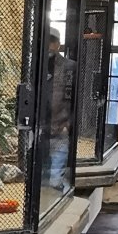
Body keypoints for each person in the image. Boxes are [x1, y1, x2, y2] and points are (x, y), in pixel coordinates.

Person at [43, 26, 76, 193]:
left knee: (55, 181)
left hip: (60, 126)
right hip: (39, 129)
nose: (49, 45)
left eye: (52, 41)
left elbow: (76, 98)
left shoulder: (70, 67)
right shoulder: (34, 65)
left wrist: (68, 123)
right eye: (46, 41)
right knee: (39, 180)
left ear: (59, 44)